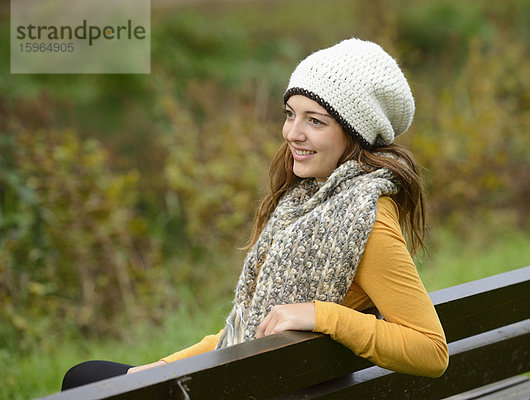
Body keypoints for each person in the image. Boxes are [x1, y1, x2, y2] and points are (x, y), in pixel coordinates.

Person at [61, 38, 448, 391]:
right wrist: (159, 368)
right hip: (262, 378)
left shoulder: (366, 215)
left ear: (356, 133)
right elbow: (243, 333)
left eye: (315, 121)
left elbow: (431, 350)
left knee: (82, 379)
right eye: (290, 113)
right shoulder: (310, 202)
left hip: (260, 387)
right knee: (90, 377)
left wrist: (322, 315)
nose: (292, 133)